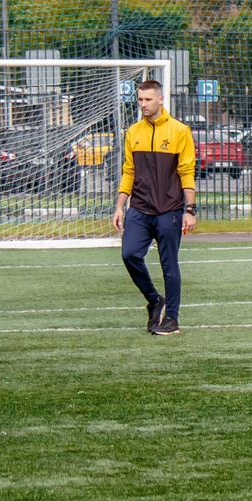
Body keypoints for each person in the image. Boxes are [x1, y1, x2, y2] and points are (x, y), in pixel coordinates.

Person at [110, 76, 198, 335]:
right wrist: (119, 206)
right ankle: (153, 300)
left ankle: (171, 319)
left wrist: (190, 210)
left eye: (148, 99)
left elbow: (187, 172)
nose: (143, 104)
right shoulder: (133, 132)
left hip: (168, 211)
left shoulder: (180, 131)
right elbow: (128, 171)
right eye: (139, 99)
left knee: (169, 265)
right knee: (129, 255)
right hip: (139, 210)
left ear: (161, 99)